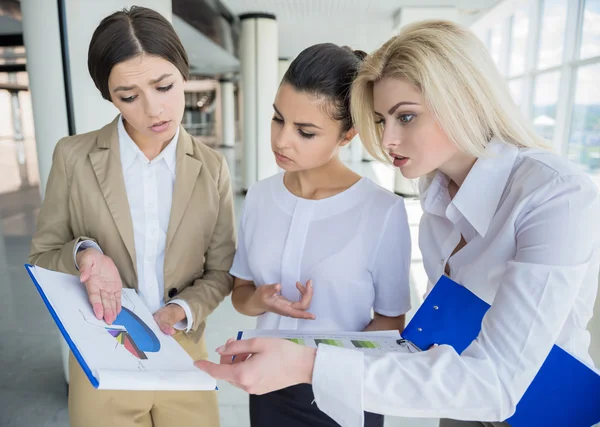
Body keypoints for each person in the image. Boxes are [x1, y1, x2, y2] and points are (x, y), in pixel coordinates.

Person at [195, 19, 600, 427]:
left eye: (405, 117)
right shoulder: (436, 191)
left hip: (541, 410)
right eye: (381, 120)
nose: (387, 141)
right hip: (454, 401)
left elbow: (495, 383)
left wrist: (310, 365)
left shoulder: (555, 196)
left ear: (464, 101)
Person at [28, 6, 235, 427]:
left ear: (183, 71)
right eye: (128, 96)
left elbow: (222, 270)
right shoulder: (74, 157)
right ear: (108, 94)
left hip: (184, 350)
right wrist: (84, 254)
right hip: (102, 353)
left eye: (164, 86)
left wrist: (183, 309)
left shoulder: (211, 167)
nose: (154, 109)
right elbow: (43, 255)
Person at [229, 43, 412, 427]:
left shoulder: (381, 211)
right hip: (268, 385)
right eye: (278, 119)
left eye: (305, 132)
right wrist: (262, 299)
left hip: (345, 389)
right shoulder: (260, 197)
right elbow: (241, 297)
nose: (282, 140)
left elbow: (391, 321)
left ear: (347, 135)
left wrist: (321, 361)